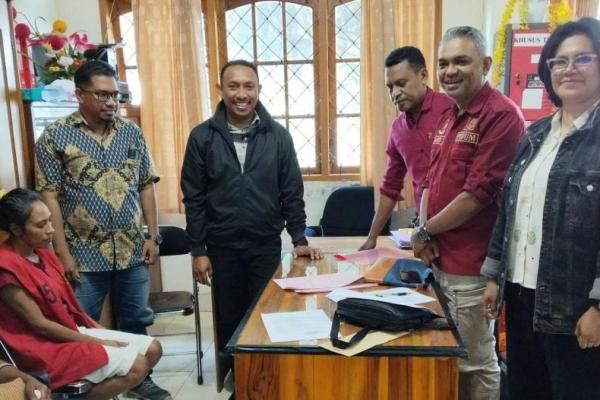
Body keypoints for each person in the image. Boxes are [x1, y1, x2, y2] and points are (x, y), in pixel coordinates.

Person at [34, 60, 170, 399]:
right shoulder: (55, 136)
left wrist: (152, 236)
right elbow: (48, 196)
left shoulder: (131, 132)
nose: (111, 102)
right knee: (81, 326)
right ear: (80, 94)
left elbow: (146, 185)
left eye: (115, 95)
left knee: (136, 319)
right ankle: (87, 388)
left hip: (131, 248)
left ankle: (140, 380)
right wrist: (61, 254)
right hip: (82, 254)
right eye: (102, 95)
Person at [481, 18, 600, 400]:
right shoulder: (535, 134)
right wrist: (493, 276)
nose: (569, 69)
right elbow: (508, 209)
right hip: (521, 296)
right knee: (525, 390)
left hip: (575, 306)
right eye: (558, 61)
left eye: (583, 58)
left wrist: (598, 306)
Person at [181, 59, 322, 380]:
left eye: (249, 86)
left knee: (265, 314)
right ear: (221, 90)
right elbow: (194, 198)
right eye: (233, 86)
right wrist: (198, 250)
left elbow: (291, 191)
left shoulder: (278, 137)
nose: (241, 94)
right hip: (221, 248)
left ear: (259, 89)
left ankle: (264, 378)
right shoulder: (202, 137)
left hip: (264, 245)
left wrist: (299, 238)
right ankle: (237, 379)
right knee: (229, 317)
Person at [410, 26, 524, 399]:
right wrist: (423, 230)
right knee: (450, 359)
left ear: (486, 65)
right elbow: (429, 181)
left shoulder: (501, 115)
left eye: (461, 61)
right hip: (441, 261)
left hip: (471, 268)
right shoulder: (450, 114)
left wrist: (425, 231)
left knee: (475, 361)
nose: (449, 71)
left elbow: (477, 195)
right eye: (443, 63)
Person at [0, 188, 163, 400]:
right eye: (41, 225)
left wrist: (102, 334)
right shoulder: (6, 267)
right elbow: (41, 326)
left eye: (49, 221)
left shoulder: (42, 254)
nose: (51, 230)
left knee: (153, 349)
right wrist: (96, 341)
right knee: (137, 366)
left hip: (68, 330)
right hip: (42, 347)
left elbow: (71, 309)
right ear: (16, 229)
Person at [359, 46, 453, 251]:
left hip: (461, 227)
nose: (395, 93)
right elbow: (390, 187)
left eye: (401, 84)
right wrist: (372, 237)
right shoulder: (397, 130)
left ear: (423, 76)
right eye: (390, 87)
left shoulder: (452, 110)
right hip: (426, 231)